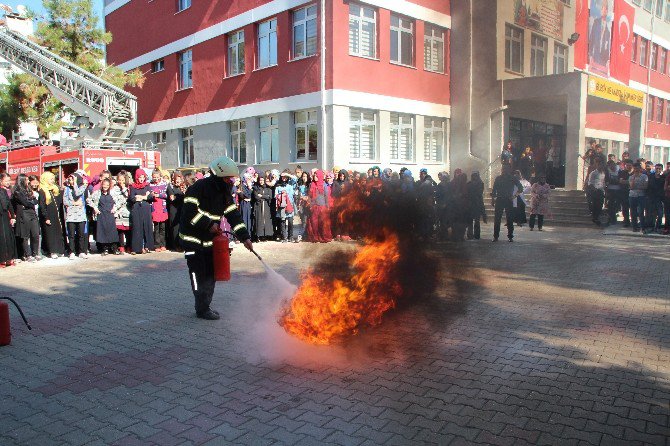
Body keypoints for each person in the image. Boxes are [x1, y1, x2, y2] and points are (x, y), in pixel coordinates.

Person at [179, 156, 253, 320]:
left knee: (211, 274)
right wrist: (209, 224)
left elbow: (233, 215)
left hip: (208, 240)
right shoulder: (198, 188)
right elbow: (189, 213)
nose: (230, 181)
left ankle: (206, 306)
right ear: (219, 175)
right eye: (228, 178)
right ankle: (201, 308)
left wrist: (245, 237)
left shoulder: (224, 191)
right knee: (198, 275)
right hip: (192, 239)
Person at [12, 174, 41, 261]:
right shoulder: (17, 191)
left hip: (32, 212)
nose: (28, 181)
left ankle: (35, 253)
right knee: (25, 235)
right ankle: (28, 255)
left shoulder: (28, 189)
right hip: (24, 214)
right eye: (27, 180)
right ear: (22, 180)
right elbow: (25, 202)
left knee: (35, 234)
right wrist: (32, 201)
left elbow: (34, 200)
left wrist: (32, 201)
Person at [87, 178, 119, 255]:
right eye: (104, 185)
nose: (105, 186)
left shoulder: (113, 193)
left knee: (112, 232)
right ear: (102, 185)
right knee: (103, 232)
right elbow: (88, 200)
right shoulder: (97, 193)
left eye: (107, 185)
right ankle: (105, 249)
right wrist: (95, 208)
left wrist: (115, 208)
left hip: (110, 215)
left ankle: (114, 248)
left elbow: (120, 200)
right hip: (101, 215)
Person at [491, 164, 523, 242]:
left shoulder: (513, 178)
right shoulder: (498, 178)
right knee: (497, 219)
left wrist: (514, 196)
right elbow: (494, 189)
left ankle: (510, 236)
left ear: (509, 169)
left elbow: (520, 188)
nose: (504, 170)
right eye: (503, 168)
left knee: (510, 219)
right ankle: (495, 236)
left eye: (506, 169)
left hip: (508, 200)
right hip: (499, 199)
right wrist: (493, 199)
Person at [38, 171, 65, 258]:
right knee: (50, 234)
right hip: (48, 215)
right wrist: (46, 217)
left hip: (56, 215)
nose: (53, 180)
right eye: (51, 179)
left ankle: (60, 250)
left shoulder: (55, 188)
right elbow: (42, 205)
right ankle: (52, 251)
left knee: (58, 232)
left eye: (53, 179)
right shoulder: (42, 190)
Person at [63, 172, 89, 259]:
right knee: (71, 235)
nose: (70, 181)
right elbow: (65, 201)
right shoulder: (66, 189)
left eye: (72, 180)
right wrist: (74, 203)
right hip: (71, 215)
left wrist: (75, 184)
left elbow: (77, 193)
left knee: (81, 235)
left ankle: (81, 251)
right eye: (70, 180)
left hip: (80, 215)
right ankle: (72, 252)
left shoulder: (82, 187)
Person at [129, 169, 154, 254]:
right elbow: (132, 198)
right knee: (137, 227)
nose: (141, 179)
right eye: (140, 177)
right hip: (137, 209)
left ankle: (148, 246)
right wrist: (144, 196)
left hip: (146, 208)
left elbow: (151, 197)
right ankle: (137, 248)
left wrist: (140, 197)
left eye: (143, 177)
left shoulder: (147, 185)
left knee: (147, 226)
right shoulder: (133, 186)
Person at [306, 170, 333, 243]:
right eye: (314, 175)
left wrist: (327, 206)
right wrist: (310, 205)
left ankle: (323, 237)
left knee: (322, 223)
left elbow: (326, 196)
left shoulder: (324, 185)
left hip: (322, 207)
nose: (315, 177)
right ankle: (315, 237)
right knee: (314, 223)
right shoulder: (311, 185)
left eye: (316, 175)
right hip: (314, 207)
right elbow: (309, 196)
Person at [112, 171, 132, 253]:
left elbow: (128, 196)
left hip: (127, 211)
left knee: (128, 230)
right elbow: (113, 198)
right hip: (118, 212)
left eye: (123, 180)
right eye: (119, 180)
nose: (121, 182)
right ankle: (121, 246)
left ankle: (128, 245)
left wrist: (124, 188)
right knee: (120, 230)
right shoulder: (115, 188)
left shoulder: (129, 187)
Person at [149, 169, 169, 252]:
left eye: (157, 177)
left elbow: (166, 195)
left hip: (162, 209)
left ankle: (163, 244)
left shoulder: (165, 185)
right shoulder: (150, 185)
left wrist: (158, 195)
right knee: (156, 228)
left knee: (163, 228)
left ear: (160, 176)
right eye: (154, 177)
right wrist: (152, 195)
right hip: (155, 209)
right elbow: (148, 196)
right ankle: (157, 245)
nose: (156, 179)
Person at [166, 172, 186, 251]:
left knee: (182, 226)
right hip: (173, 209)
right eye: (176, 179)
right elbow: (172, 198)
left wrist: (181, 194)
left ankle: (182, 244)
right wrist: (181, 195)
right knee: (175, 228)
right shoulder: (170, 187)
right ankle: (175, 245)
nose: (178, 181)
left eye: (179, 179)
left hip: (182, 208)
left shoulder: (183, 187)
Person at [275, 170, 296, 243]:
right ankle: (284, 237)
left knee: (290, 222)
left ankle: (291, 237)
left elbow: (295, 179)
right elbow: (275, 196)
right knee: (282, 222)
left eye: (285, 177)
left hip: (290, 206)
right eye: (283, 177)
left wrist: (287, 174)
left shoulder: (291, 185)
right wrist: (281, 195)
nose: (284, 178)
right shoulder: (278, 186)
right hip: (282, 207)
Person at [0, 173, 16, 267]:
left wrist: (13, 216)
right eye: (6, 181)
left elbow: (9, 204)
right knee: (1, 238)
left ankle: (9, 258)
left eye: (9, 180)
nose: (8, 182)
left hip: (5, 216)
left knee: (8, 237)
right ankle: (2, 260)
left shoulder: (4, 191)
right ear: (1, 181)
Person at [252, 175, 273, 241]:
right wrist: (264, 197)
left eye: (262, 180)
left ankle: (266, 235)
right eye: (260, 180)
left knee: (266, 220)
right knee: (259, 220)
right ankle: (259, 235)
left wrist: (262, 196)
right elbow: (256, 196)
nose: (261, 182)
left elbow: (270, 197)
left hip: (266, 206)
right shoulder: (256, 188)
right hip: (258, 206)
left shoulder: (268, 188)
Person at [629, 162, 648, 233]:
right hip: (632, 196)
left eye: (637, 168)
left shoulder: (644, 176)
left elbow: (645, 186)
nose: (636, 170)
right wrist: (634, 178)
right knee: (633, 212)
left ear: (640, 169)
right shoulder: (631, 177)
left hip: (641, 196)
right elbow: (631, 187)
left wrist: (637, 187)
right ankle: (634, 227)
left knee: (641, 212)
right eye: (635, 168)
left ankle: (642, 227)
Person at [466, 171, 486, 240]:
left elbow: (480, 193)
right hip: (471, 203)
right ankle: (470, 235)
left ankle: (476, 235)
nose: (474, 177)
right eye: (473, 176)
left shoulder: (480, 184)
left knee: (476, 220)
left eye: (475, 176)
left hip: (476, 203)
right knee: (470, 220)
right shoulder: (470, 184)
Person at [587, 159, 607, 225]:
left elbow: (603, 182)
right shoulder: (593, 173)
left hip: (601, 190)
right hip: (595, 191)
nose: (601, 166)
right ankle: (594, 218)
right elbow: (590, 183)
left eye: (602, 165)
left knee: (600, 205)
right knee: (595, 205)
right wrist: (594, 190)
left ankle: (597, 217)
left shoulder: (603, 173)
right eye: (599, 165)